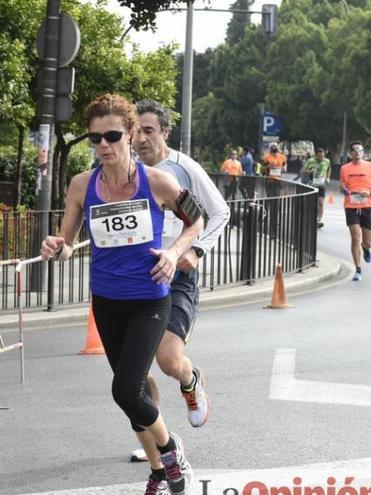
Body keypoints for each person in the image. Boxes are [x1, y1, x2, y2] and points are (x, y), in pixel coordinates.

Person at [41, 94, 203, 495]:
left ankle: (170, 449)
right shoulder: (82, 186)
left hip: (150, 296)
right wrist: (55, 248)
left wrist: (174, 251)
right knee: (135, 391)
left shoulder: (159, 181)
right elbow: (67, 244)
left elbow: (195, 221)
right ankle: (157, 472)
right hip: (107, 300)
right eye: (95, 138)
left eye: (112, 135)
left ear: (130, 135)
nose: (103, 146)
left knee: (124, 388)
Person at [131, 99, 230, 468]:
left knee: (169, 360)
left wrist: (197, 250)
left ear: (165, 133)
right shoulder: (125, 172)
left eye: (148, 130)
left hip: (178, 278)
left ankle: (191, 381)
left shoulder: (184, 168)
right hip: (135, 279)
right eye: (134, 131)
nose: (140, 138)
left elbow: (219, 211)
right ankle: (157, 439)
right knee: (134, 370)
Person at [339, 141, 371, 282]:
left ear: (363, 153)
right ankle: (358, 269)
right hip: (351, 206)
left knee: (367, 242)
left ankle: (366, 249)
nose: (357, 152)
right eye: (354, 150)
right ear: (350, 153)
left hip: (367, 206)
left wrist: (370, 192)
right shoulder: (344, 168)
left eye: (360, 150)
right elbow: (342, 186)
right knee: (355, 237)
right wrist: (344, 190)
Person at [302, 147, 331, 228]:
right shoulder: (311, 161)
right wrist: (310, 171)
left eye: (323, 156)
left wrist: (328, 177)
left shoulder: (327, 161)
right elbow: (303, 170)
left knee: (321, 203)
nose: (321, 158)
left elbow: (329, 168)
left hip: (321, 184)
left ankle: (319, 219)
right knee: (312, 202)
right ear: (316, 155)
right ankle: (310, 218)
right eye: (319, 157)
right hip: (312, 184)